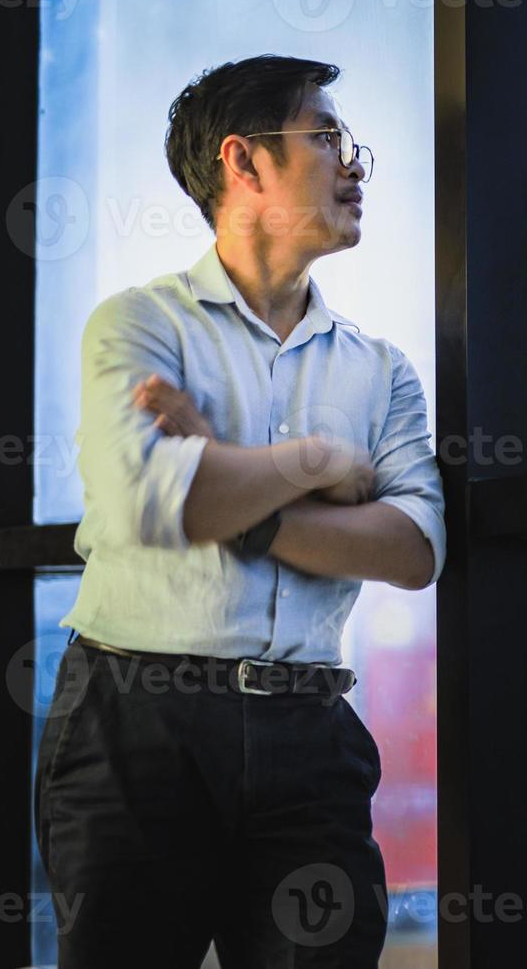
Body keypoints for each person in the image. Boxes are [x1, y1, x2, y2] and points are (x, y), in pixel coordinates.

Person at [34, 54, 444, 967]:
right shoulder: (138, 326)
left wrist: (236, 486)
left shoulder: (378, 368)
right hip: (134, 723)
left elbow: (414, 548)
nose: (355, 165)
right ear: (243, 162)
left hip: (309, 735)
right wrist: (325, 464)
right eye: (327, 137)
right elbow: (155, 504)